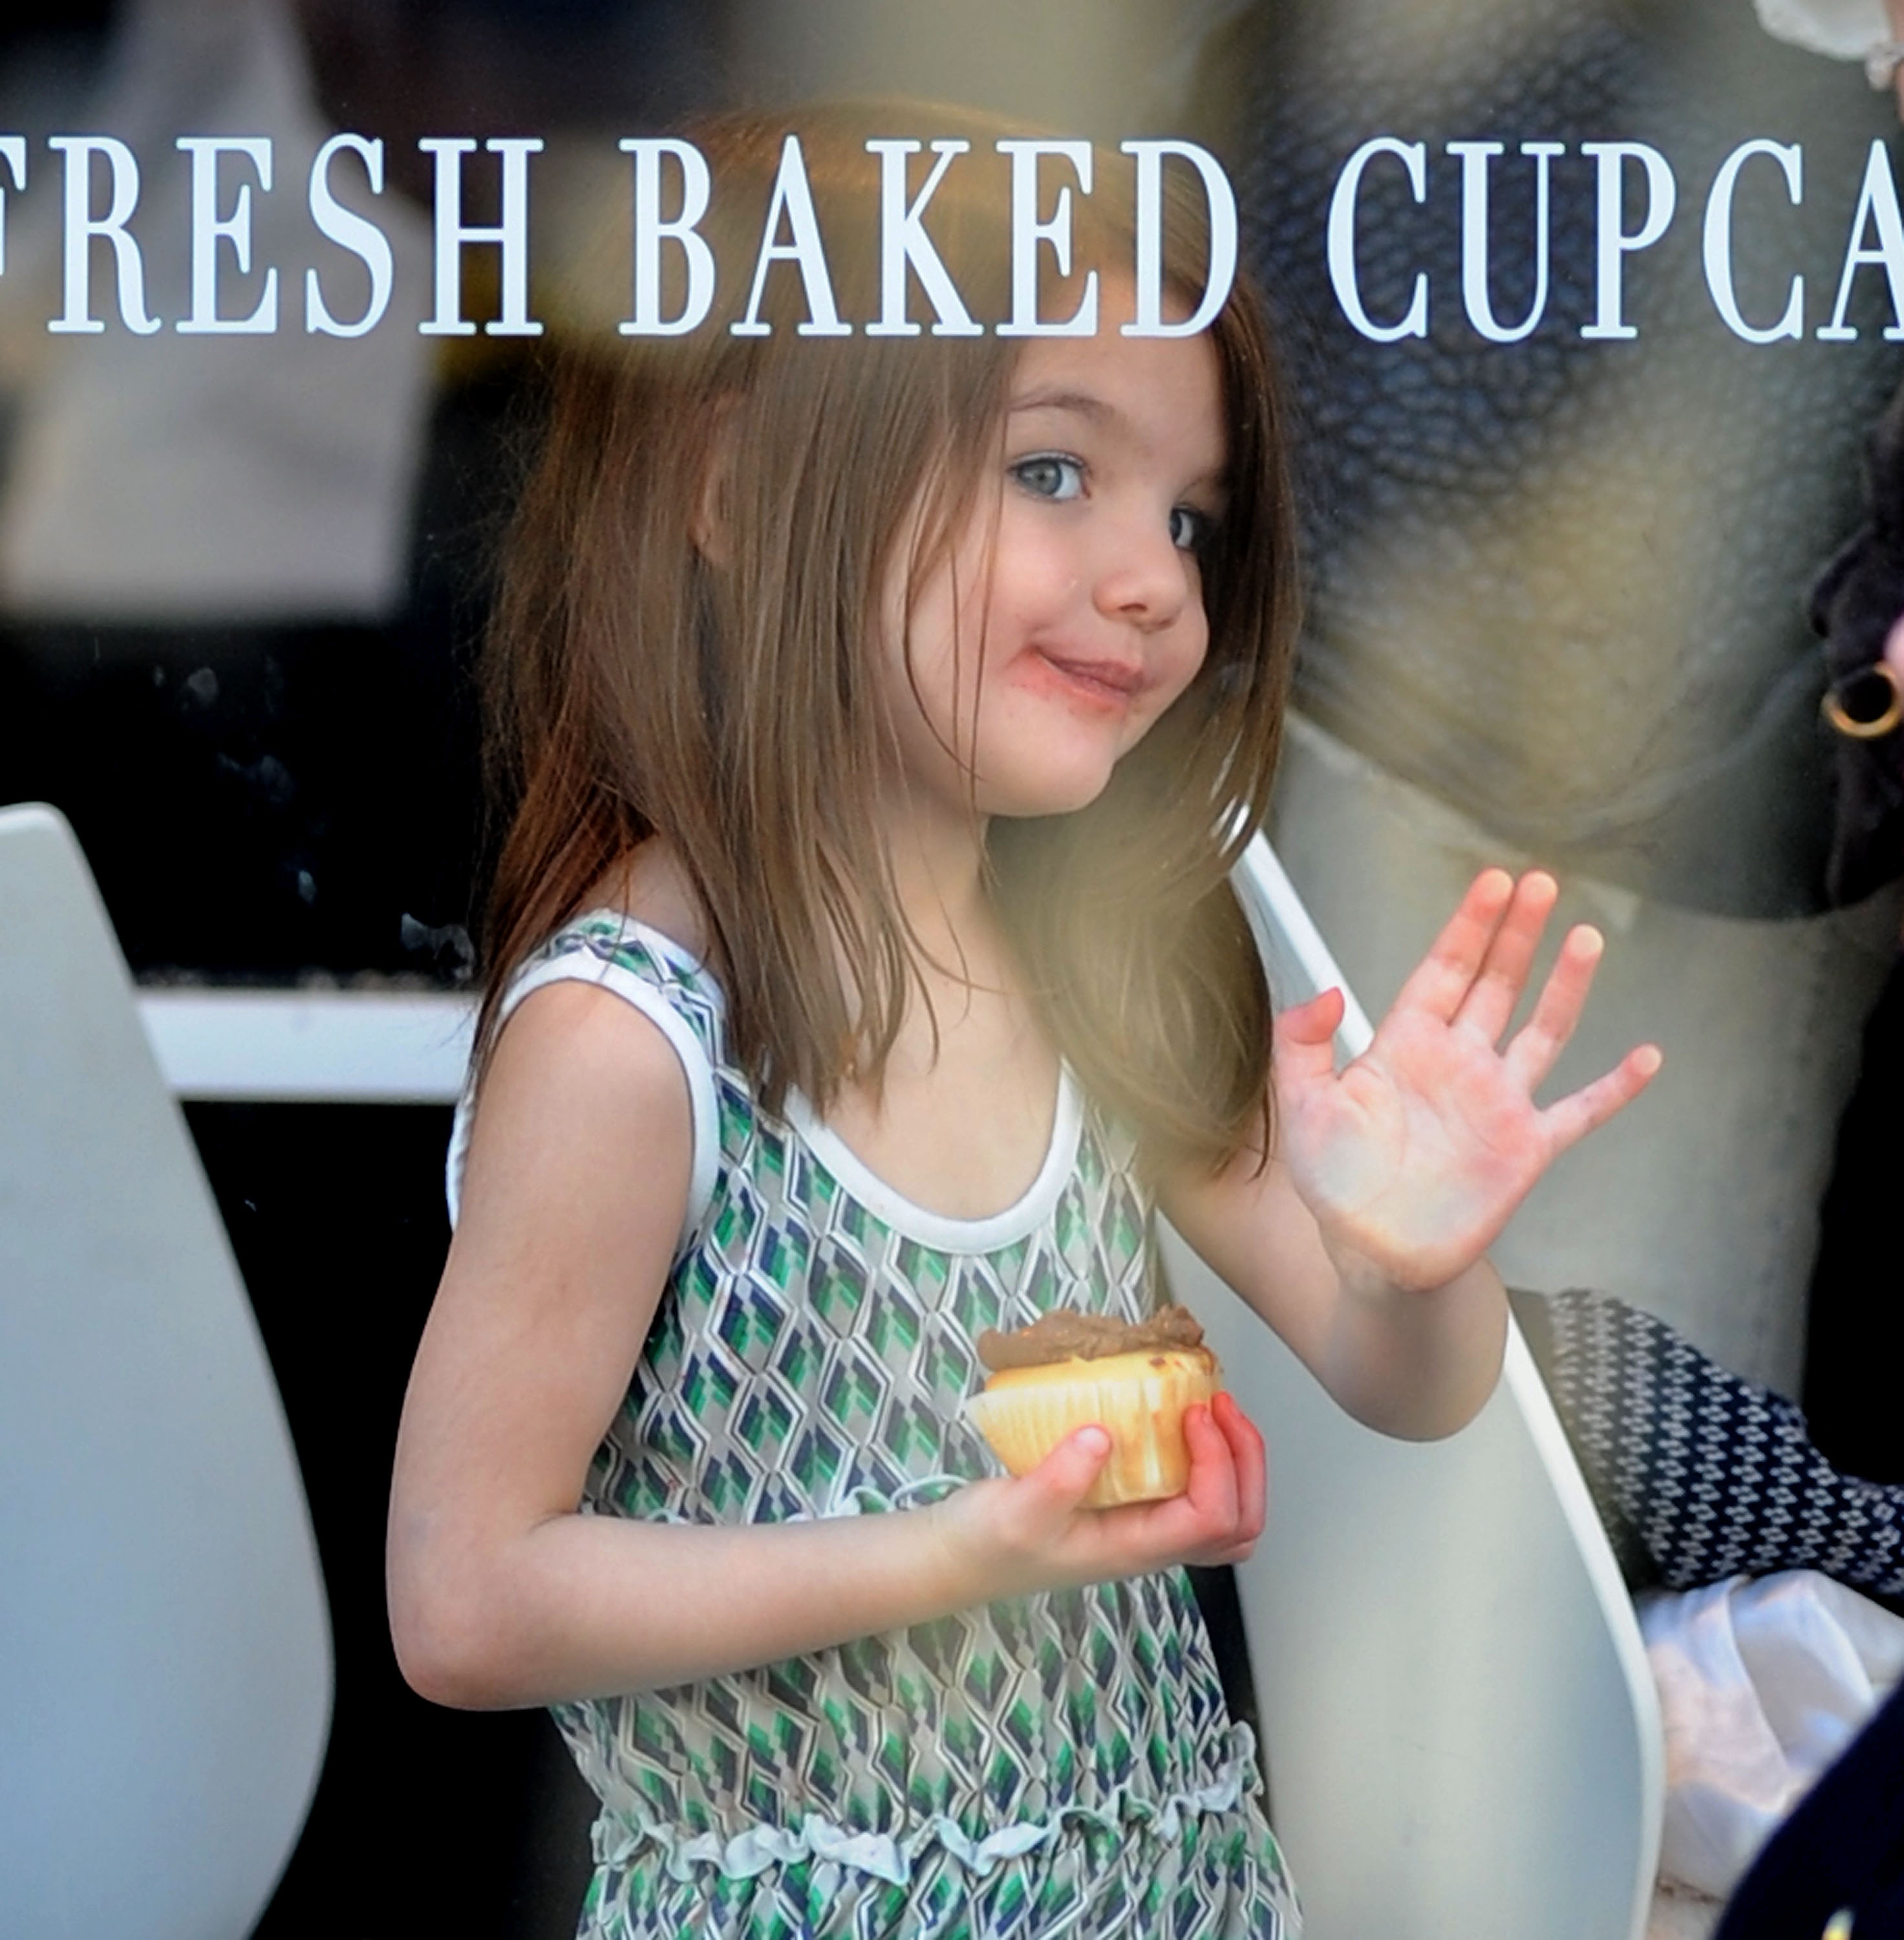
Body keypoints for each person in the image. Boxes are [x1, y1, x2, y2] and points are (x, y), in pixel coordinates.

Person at [385, 105, 1661, 1939]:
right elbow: (465, 1601)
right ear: (740, 495)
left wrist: (1412, 1262)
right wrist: (960, 1557)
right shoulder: (628, 1040)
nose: (1153, 580)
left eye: (1191, 517)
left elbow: (1410, 1387)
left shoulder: (1093, 958)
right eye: (1053, 474)